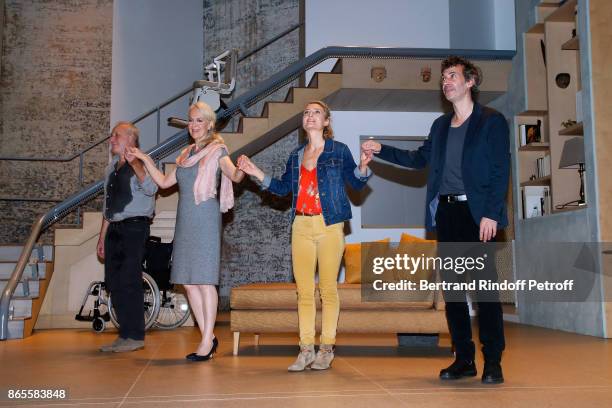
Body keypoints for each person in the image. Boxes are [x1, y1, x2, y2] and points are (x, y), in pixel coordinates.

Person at [362, 56, 510, 384]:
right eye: (443, 78)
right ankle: (464, 359)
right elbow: (418, 160)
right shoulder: (440, 126)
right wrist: (381, 149)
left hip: (477, 214)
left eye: (452, 76)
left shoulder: (491, 121)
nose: (446, 82)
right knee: (454, 293)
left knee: (485, 292)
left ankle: (494, 361)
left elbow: (501, 170)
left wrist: (491, 213)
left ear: (470, 81)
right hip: (446, 213)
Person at [237, 100, 372, 371]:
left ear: (326, 122)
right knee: (304, 291)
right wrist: (255, 173)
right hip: (300, 225)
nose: (310, 116)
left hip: (330, 224)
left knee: (328, 289)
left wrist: (364, 166)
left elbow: (356, 183)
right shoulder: (296, 155)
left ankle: (326, 348)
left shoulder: (339, 150)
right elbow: (282, 188)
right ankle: (306, 349)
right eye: (307, 113)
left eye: (316, 113)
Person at [127, 101, 244, 361]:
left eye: (199, 120)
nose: (193, 125)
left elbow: (232, 174)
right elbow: (165, 183)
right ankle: (208, 337)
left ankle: (206, 340)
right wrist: (145, 159)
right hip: (186, 221)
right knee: (189, 283)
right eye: (191, 121)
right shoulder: (185, 154)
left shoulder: (217, 150)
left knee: (204, 280)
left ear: (210, 124)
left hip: (205, 218)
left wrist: (241, 171)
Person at [97, 121, 158, 353]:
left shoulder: (143, 162)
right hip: (114, 228)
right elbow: (108, 206)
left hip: (135, 227)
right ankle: (124, 334)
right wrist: (101, 238)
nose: (111, 140)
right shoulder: (110, 168)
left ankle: (135, 335)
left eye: (116, 136)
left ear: (130, 139)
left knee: (130, 279)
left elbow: (152, 189)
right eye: (112, 136)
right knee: (114, 282)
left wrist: (136, 165)